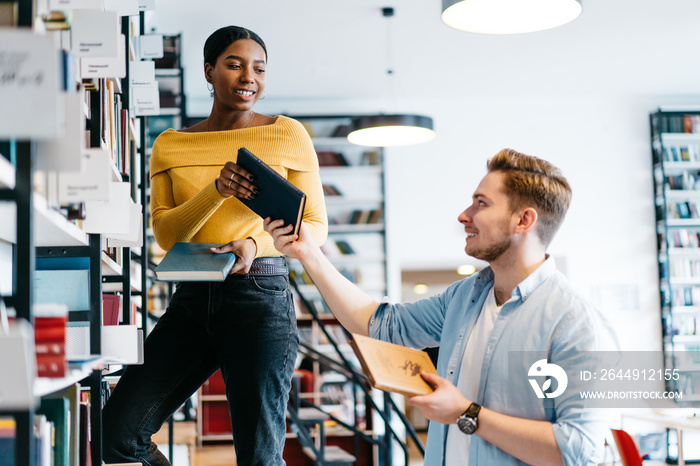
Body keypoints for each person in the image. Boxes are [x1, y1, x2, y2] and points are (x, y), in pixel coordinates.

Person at [265, 148, 617, 466]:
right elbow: (378, 324)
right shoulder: (465, 297)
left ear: (523, 221)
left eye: (481, 203)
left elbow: (579, 450)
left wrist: (467, 414)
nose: (464, 215)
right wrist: (307, 253)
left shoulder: (577, 323)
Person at [102, 25, 328, 466]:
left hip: (260, 297)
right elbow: (166, 234)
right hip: (191, 297)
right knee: (116, 433)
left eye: (259, 68)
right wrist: (216, 190)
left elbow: (315, 226)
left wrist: (252, 243)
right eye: (234, 64)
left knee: (260, 459)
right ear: (209, 71)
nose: (249, 77)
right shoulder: (170, 145)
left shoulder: (289, 135)